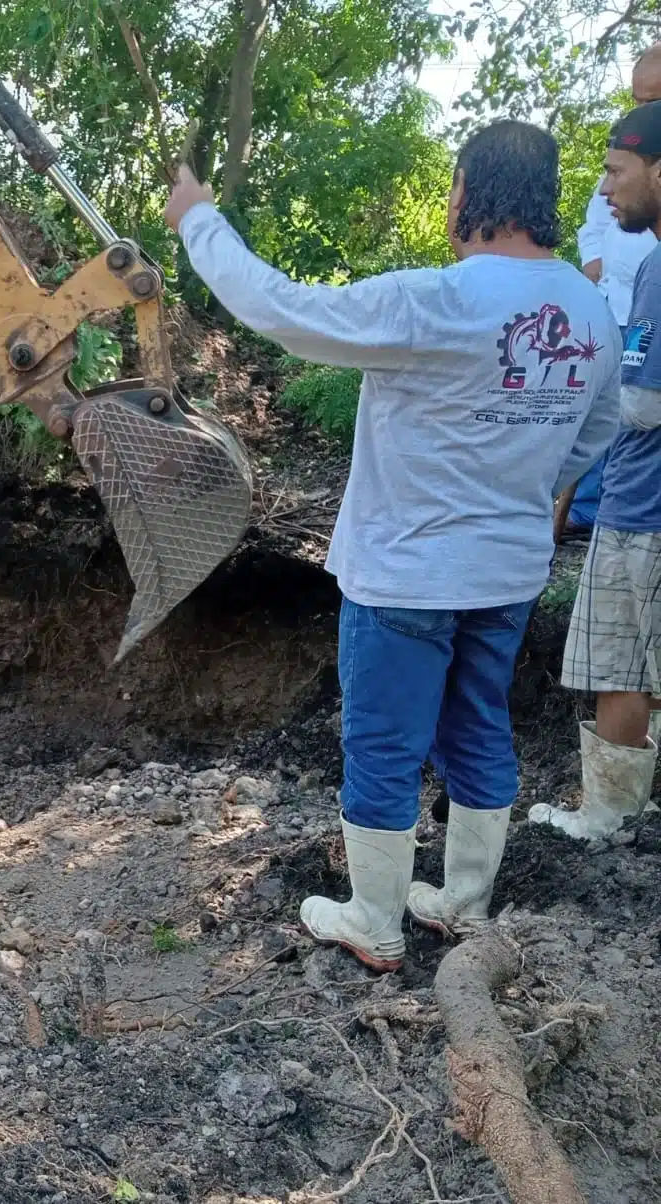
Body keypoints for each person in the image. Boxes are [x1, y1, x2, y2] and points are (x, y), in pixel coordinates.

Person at [163, 121, 621, 971]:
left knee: (384, 742)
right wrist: (519, 484)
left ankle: (373, 918)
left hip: (408, 568)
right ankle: (461, 902)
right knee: (478, 725)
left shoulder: (438, 300)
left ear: (468, 194)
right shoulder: (590, 310)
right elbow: (597, 430)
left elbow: (282, 312)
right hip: (509, 568)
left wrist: (199, 221)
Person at [532, 102, 661, 840]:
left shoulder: (658, 269)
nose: (606, 191)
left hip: (645, 505)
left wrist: (575, 398)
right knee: (635, 665)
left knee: (624, 661)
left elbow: (642, 405)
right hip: (638, 501)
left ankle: (612, 817)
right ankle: (624, 816)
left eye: (616, 172)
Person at [557, 47, 661, 539]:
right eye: (638, 97)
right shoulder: (628, 153)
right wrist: (593, 260)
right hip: (617, 305)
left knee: (631, 407)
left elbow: (641, 407)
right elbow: (593, 221)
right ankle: (595, 507)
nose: (643, 107)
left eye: (655, 97)